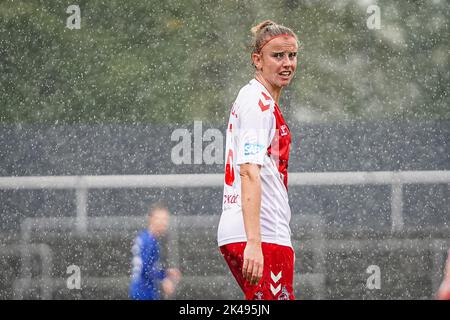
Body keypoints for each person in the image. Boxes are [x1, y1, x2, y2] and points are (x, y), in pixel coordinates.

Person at [217, 20, 298, 300]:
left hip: (252, 231)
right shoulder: (258, 102)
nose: (287, 63)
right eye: (277, 56)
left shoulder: (256, 99)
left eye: (292, 55)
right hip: (262, 233)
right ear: (257, 60)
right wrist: (255, 241)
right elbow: (249, 171)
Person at [129, 203, 181, 300]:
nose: (163, 223)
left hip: (143, 291)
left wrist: (165, 273)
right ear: (151, 219)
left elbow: (149, 266)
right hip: (144, 293)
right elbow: (146, 267)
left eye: (165, 220)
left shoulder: (147, 238)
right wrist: (164, 279)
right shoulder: (149, 241)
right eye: (160, 219)